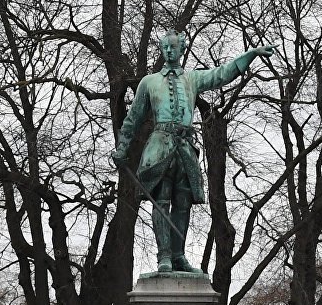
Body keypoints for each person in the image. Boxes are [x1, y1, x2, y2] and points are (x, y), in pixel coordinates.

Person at [111, 30, 276, 273]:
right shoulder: (149, 82)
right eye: (165, 47)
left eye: (173, 47)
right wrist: (122, 147)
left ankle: (178, 256)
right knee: (161, 200)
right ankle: (164, 257)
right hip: (159, 146)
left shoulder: (192, 79)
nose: (168, 51)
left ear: (182, 50)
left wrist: (250, 55)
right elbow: (133, 118)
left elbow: (221, 75)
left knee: (183, 202)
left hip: (185, 147)